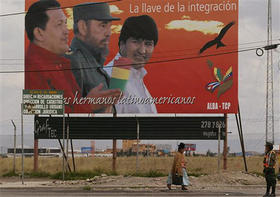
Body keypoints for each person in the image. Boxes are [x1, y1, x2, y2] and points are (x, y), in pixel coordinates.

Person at [25, 0, 120, 113]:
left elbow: (66, 109)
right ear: (39, 33)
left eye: (65, 23)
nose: (66, 30)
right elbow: (40, 113)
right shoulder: (33, 69)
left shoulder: (59, 65)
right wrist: (90, 106)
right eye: (59, 24)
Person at [105, 15, 158, 113]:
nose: (142, 51)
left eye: (148, 44)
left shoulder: (136, 76)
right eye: (136, 42)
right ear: (122, 44)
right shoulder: (112, 78)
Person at [70, 2, 120, 103]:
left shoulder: (92, 60)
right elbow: (65, 111)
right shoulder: (73, 61)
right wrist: (89, 106)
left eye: (109, 26)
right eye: (103, 25)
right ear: (83, 27)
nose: (109, 33)